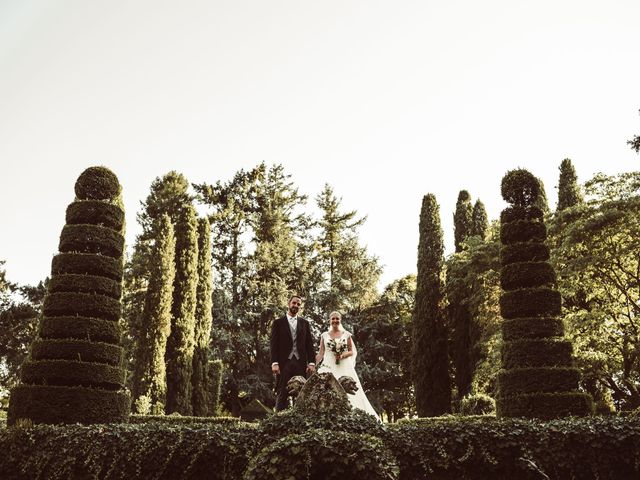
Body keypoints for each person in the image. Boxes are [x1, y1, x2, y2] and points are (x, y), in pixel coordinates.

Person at [316, 311, 380, 420]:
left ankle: (353, 418)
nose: (335, 321)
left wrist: (341, 355)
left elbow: (351, 351)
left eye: (337, 319)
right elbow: (321, 353)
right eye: (333, 319)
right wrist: (313, 365)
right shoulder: (324, 335)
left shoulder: (346, 334)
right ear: (329, 321)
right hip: (328, 366)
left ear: (340, 320)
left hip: (344, 366)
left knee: (349, 390)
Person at [270, 295, 316, 411]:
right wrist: (274, 362)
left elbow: (309, 344)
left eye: (298, 304)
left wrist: (311, 362)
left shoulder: (304, 323)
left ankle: (299, 421)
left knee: (300, 392)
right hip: (284, 362)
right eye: (294, 303)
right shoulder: (278, 323)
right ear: (288, 303)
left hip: (300, 362)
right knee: (282, 392)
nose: (296, 305)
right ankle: (277, 421)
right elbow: (273, 344)